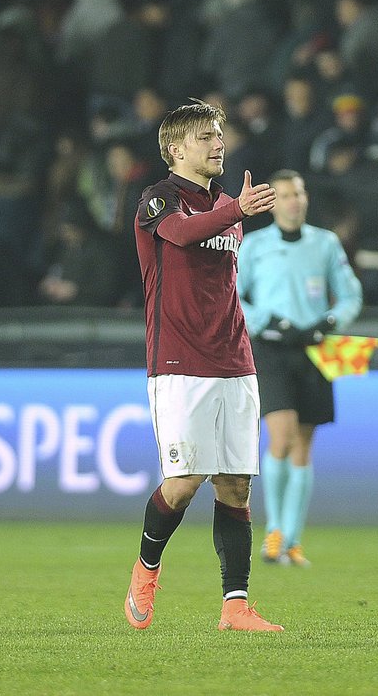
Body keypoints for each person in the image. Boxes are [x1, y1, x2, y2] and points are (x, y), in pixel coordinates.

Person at [125, 101, 284, 633]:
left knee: (236, 485)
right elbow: (184, 235)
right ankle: (147, 568)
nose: (218, 143)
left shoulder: (225, 205)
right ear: (175, 149)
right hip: (178, 361)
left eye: (219, 134)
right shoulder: (158, 201)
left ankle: (235, 606)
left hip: (235, 359)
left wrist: (233, 209)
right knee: (184, 481)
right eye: (204, 137)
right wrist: (236, 209)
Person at [237, 169, 363, 568]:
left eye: (299, 193)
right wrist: (266, 323)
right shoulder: (254, 246)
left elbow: (350, 295)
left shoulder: (324, 244)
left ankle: (292, 538)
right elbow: (233, 295)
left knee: (304, 444)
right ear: (273, 202)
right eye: (287, 194)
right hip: (271, 350)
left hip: (314, 350)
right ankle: (275, 531)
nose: (295, 200)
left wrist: (329, 321)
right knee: (282, 435)